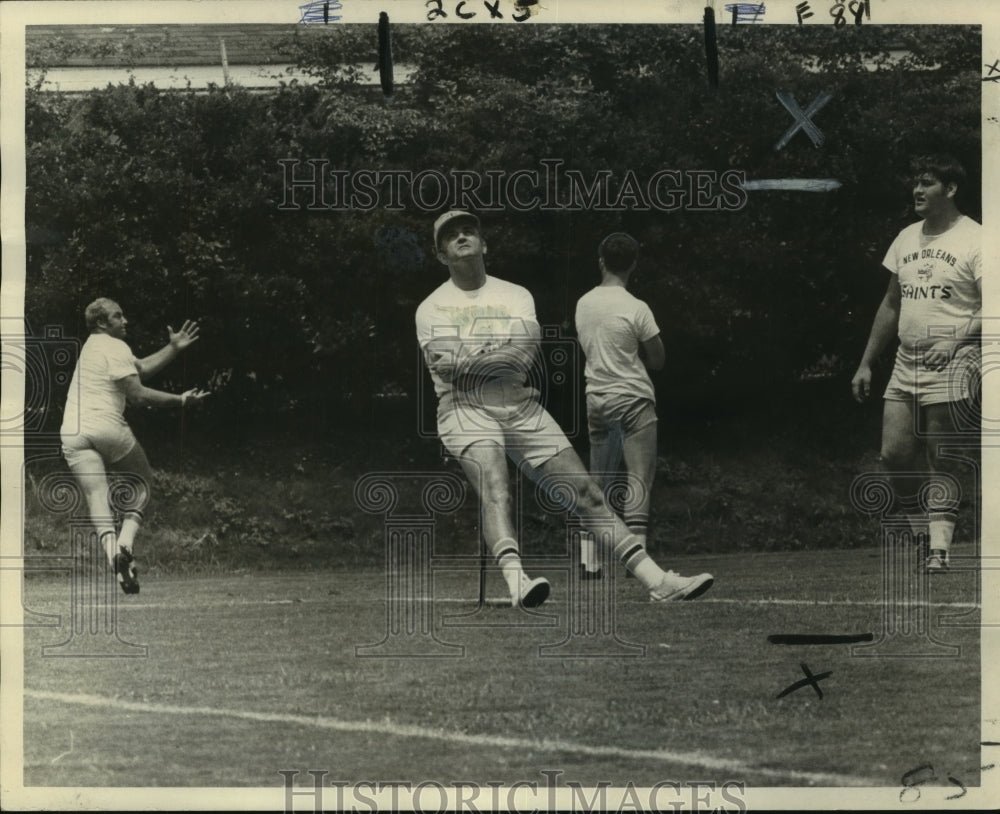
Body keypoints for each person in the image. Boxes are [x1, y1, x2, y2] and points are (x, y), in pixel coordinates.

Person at [415, 210, 713, 607]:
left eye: (470, 230)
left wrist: (471, 360)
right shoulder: (431, 307)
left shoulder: (516, 294)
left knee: (588, 493)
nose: (463, 237)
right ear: (441, 255)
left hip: (520, 404)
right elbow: (447, 370)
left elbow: (521, 358)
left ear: (485, 244)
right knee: (495, 487)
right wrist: (496, 355)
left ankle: (659, 582)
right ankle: (518, 582)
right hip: (463, 409)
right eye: (452, 236)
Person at [851, 155, 981, 573]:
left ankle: (939, 551)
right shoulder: (906, 237)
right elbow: (891, 303)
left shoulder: (977, 239)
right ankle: (922, 533)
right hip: (905, 363)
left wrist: (957, 340)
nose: (917, 191)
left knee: (941, 455)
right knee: (893, 453)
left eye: (926, 183)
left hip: (955, 359)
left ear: (952, 189)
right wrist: (866, 362)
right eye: (915, 183)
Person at [60, 298, 208, 594]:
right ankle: (125, 544)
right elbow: (138, 393)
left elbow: (139, 368)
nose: (125, 320)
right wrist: (181, 400)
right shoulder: (115, 346)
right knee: (143, 483)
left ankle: (113, 554)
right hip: (106, 427)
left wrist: (173, 348)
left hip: (72, 432)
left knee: (96, 495)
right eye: (118, 316)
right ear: (103, 323)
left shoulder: (92, 346)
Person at [574, 232, 665, 579]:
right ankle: (636, 559)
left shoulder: (583, 303)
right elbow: (657, 359)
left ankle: (589, 561)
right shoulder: (637, 307)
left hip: (596, 396)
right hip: (633, 397)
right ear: (634, 265)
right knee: (639, 477)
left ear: (601, 261)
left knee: (598, 481)